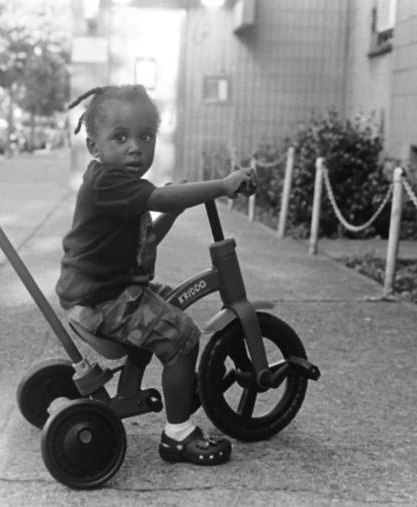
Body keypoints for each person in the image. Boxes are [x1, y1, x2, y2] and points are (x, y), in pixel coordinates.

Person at [55, 84, 255, 466]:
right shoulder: (109, 184)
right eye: (120, 137)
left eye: (145, 136)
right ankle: (178, 434)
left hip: (103, 289)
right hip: (104, 300)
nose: (135, 147)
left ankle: (155, 386)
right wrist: (222, 186)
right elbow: (159, 197)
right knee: (182, 337)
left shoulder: (117, 187)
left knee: (168, 302)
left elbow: (144, 242)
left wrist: (174, 213)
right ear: (94, 146)